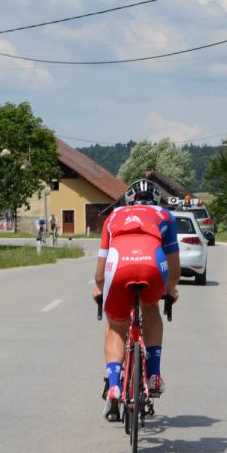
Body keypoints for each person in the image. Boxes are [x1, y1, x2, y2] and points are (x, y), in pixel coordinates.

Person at [92, 179, 180, 420]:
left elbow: (100, 274)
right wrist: (170, 290)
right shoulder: (165, 215)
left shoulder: (113, 217)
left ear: (128, 201)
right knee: (150, 306)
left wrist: (100, 289)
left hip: (118, 267)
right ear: (156, 200)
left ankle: (113, 384)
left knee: (115, 326)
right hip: (152, 266)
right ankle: (153, 374)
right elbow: (174, 270)